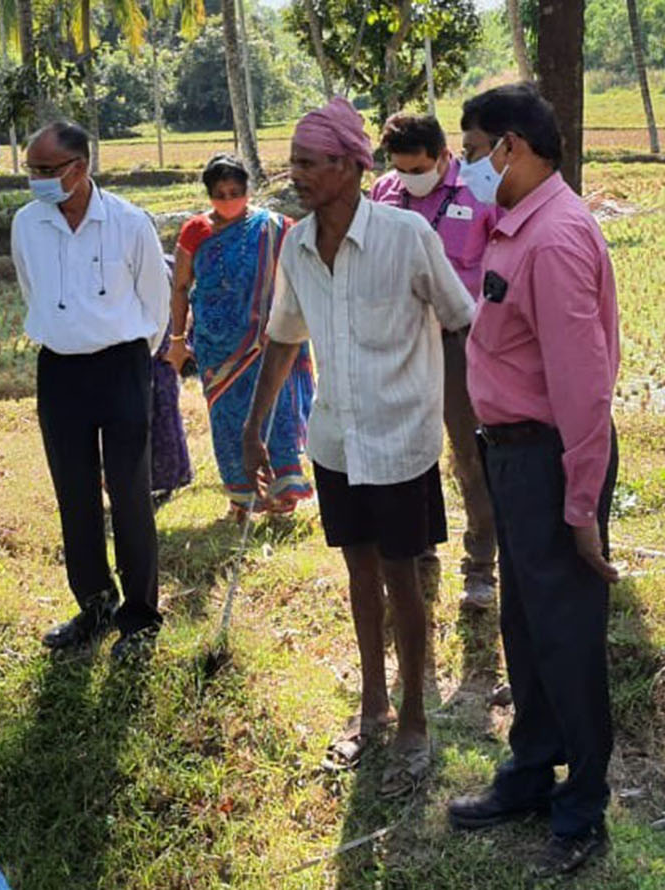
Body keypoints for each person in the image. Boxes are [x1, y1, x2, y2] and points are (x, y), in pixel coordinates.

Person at [242, 97, 474, 797]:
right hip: (337, 439)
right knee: (359, 575)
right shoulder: (296, 244)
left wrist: (469, 427)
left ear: (349, 166)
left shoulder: (406, 237)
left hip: (402, 438)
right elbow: (285, 336)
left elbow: (459, 320)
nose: (298, 175)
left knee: (404, 579)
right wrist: (255, 428)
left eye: (310, 163)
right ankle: (371, 706)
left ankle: (413, 722)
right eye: (294, 165)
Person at [446, 83, 621, 880]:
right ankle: (531, 766)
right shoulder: (517, 228)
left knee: (567, 632)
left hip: (552, 457)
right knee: (527, 622)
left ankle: (583, 805)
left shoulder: (553, 238)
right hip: (514, 455)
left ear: (511, 146)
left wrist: (581, 501)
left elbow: (585, 386)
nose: (469, 166)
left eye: (475, 149)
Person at [10, 120, 171, 662]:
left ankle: (141, 618)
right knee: (73, 494)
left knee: (129, 493)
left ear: (81, 168)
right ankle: (95, 606)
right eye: (31, 169)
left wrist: (128, 359)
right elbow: (30, 289)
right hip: (59, 370)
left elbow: (157, 302)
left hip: (122, 365)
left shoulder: (128, 222)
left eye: (47, 170)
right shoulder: (27, 225)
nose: (36, 179)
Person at [371, 113, 500, 611]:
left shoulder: (478, 190)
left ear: (444, 156)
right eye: (402, 170)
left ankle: (480, 567)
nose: (411, 179)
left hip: (458, 340)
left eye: (420, 169)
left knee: (469, 455)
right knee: (407, 452)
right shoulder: (384, 192)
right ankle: (419, 550)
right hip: (400, 342)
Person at [165, 154, 314, 523]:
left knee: (274, 412)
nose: (229, 199)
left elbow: (299, 278)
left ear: (249, 191)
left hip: (268, 342)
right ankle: (242, 497)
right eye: (220, 194)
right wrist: (178, 339)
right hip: (217, 347)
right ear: (209, 195)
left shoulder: (275, 228)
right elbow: (182, 287)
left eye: (236, 192)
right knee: (228, 420)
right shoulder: (195, 231)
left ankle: (282, 495)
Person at [149, 255, 194, 510]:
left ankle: (168, 479)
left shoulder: (166, 265)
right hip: (152, 350)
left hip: (163, 352)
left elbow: (183, 304)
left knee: (164, 417)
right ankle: (166, 478)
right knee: (161, 417)